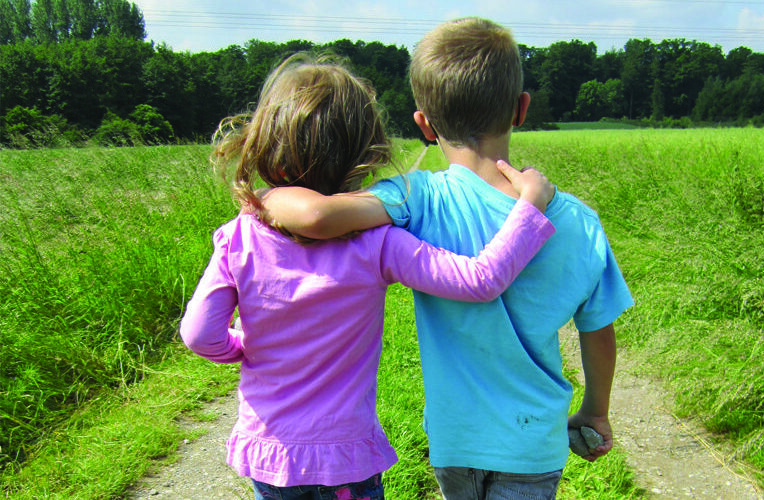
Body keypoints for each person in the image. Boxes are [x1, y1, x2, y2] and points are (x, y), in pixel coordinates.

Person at [258, 19, 635, 500]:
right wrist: (594, 410)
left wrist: (264, 197)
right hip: (534, 442)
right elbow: (597, 328)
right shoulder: (579, 221)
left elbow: (318, 217)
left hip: (455, 438)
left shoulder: (413, 199)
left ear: (423, 124)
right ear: (520, 110)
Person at [178, 52, 556, 500]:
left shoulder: (238, 237)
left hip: (271, 455)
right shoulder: (377, 242)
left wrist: (242, 345)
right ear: (363, 152)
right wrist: (529, 207)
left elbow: (200, 335)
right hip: (344, 461)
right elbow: (480, 280)